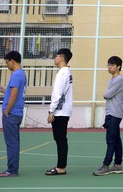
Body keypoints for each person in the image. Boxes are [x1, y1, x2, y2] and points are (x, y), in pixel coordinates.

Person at [0, 51, 27, 177]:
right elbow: (14, 93)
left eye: (7, 62)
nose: (6, 65)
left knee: (11, 142)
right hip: (18, 112)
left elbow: (14, 96)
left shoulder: (16, 75)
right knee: (14, 141)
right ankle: (13, 168)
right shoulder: (22, 74)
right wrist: (4, 90)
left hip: (12, 113)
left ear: (12, 61)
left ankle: (12, 169)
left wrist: (6, 111)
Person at [94, 56, 123, 176]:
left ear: (118, 67)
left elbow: (107, 94)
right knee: (116, 139)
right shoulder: (112, 80)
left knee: (111, 140)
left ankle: (106, 165)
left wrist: (106, 93)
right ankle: (117, 165)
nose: (109, 67)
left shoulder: (119, 80)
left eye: (111, 65)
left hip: (114, 113)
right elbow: (108, 95)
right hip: (111, 113)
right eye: (108, 65)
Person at [46, 48, 73, 176]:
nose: (54, 58)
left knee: (60, 139)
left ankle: (61, 167)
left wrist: (51, 110)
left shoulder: (62, 73)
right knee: (60, 139)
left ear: (61, 58)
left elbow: (57, 94)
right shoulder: (66, 72)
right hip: (63, 111)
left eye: (56, 56)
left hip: (60, 112)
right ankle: (61, 165)